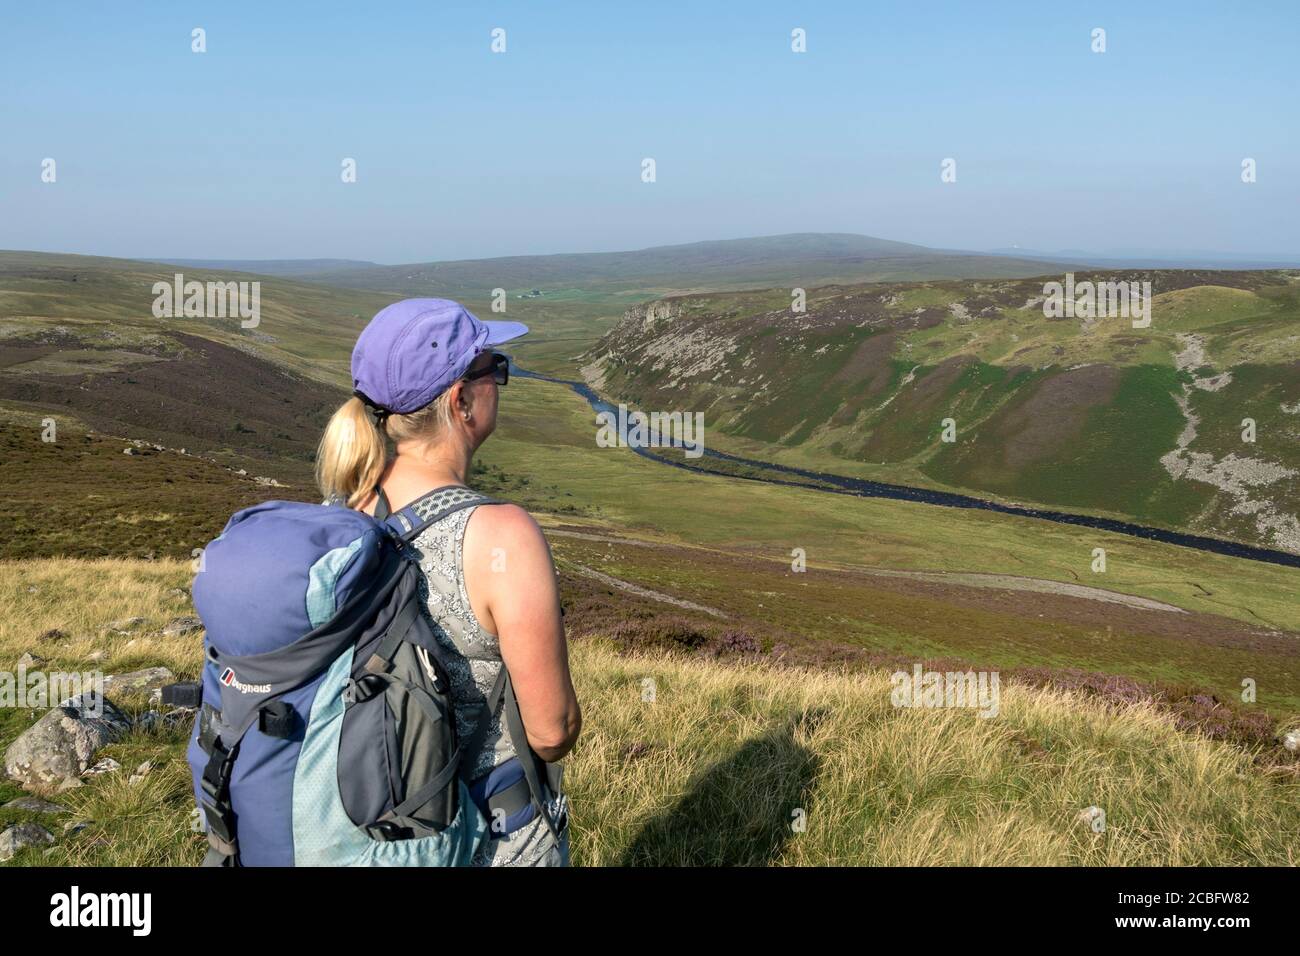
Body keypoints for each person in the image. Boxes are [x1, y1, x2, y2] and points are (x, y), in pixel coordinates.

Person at [314, 297, 581, 866]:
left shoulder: (346, 511)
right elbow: (552, 732)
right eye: (496, 370)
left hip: (368, 826)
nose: (499, 384)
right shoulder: (501, 535)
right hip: (489, 839)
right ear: (461, 400)